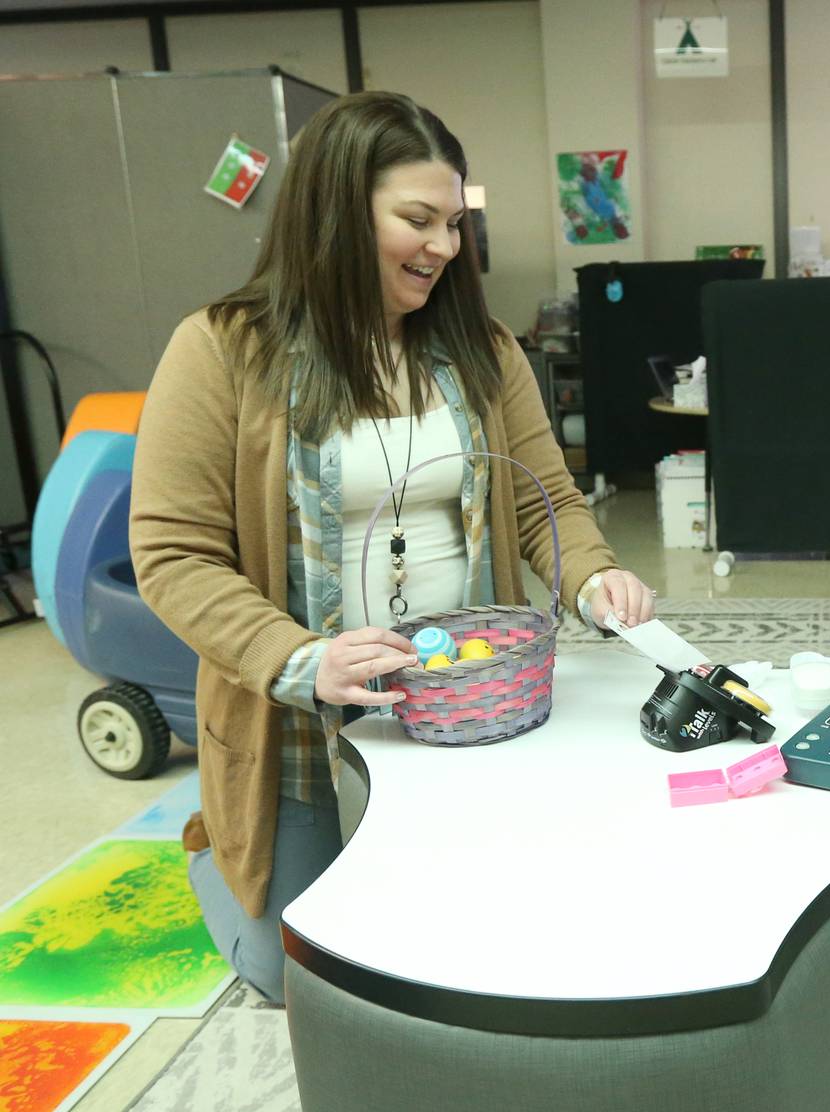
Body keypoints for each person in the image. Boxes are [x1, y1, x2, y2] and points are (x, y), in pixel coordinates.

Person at [130, 91, 656, 1002]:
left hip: (467, 700)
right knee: (301, 981)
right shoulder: (220, 350)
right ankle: (218, 845)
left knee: (482, 944)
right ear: (335, 212)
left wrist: (596, 575)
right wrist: (300, 657)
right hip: (300, 725)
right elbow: (174, 554)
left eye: (454, 222)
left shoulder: (480, 348)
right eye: (417, 220)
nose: (445, 248)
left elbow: (547, 504)